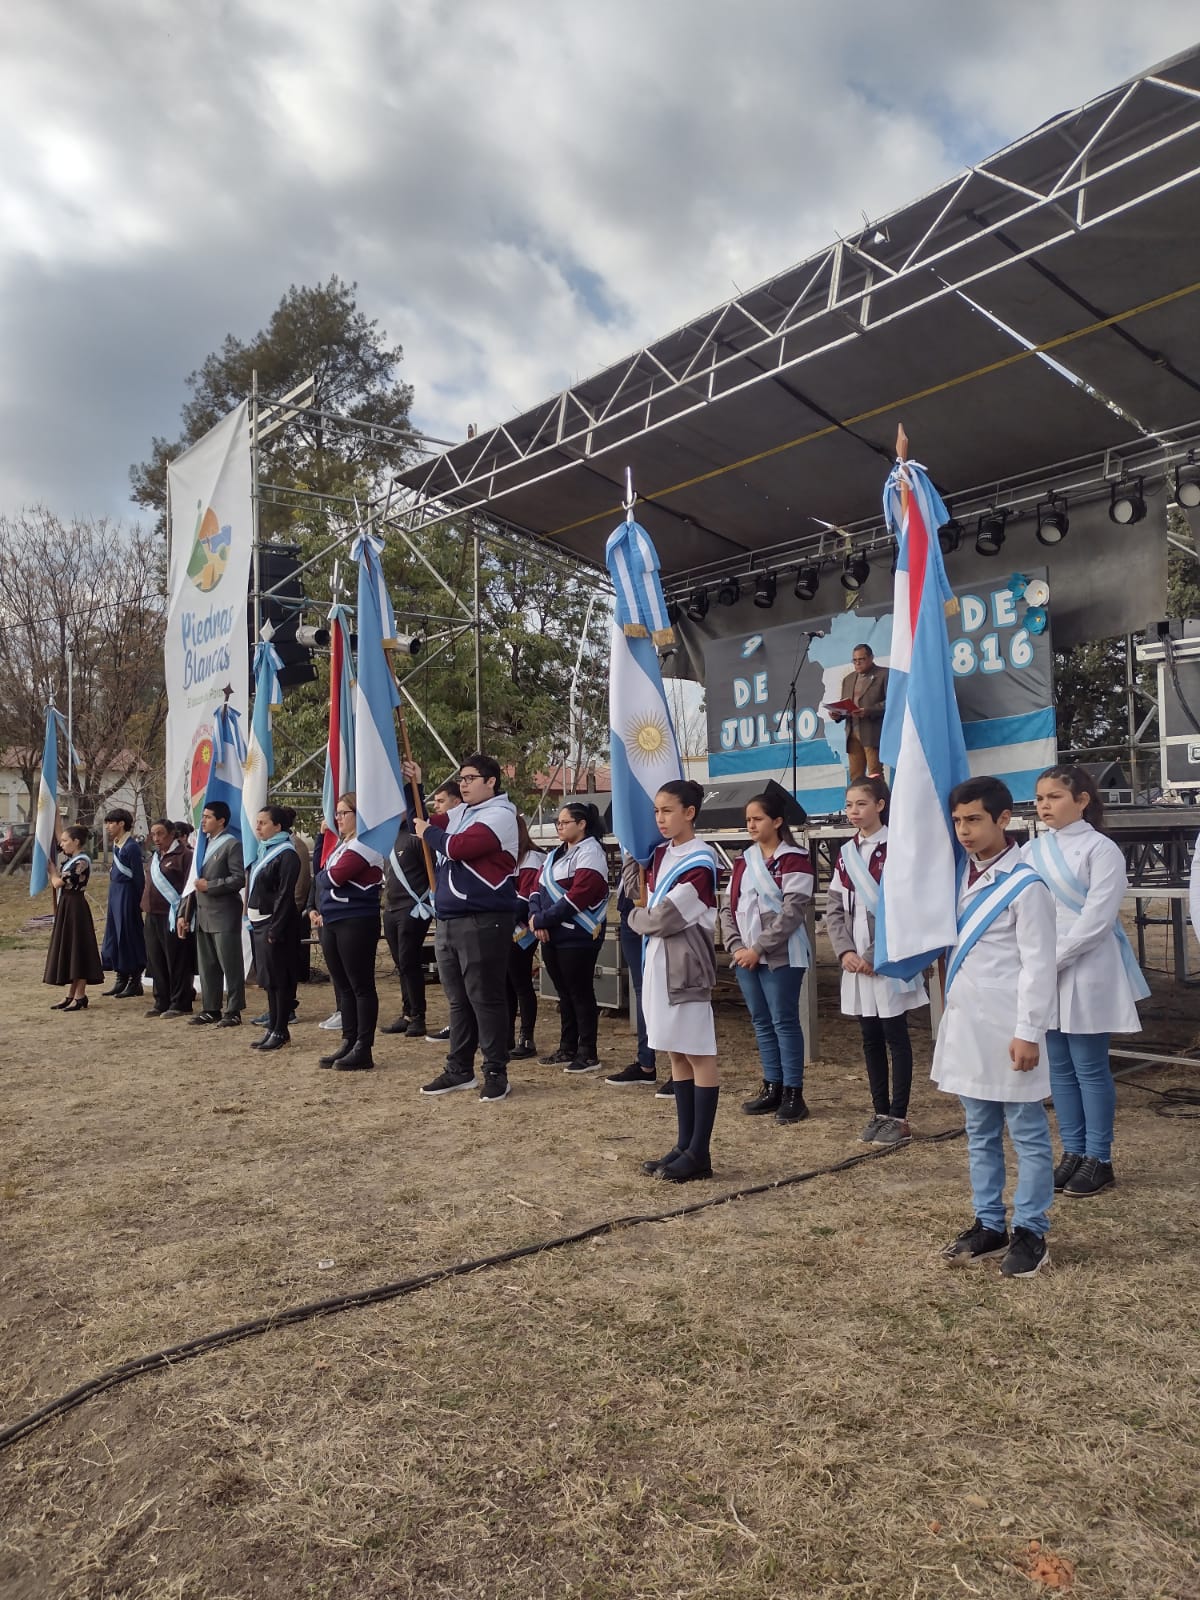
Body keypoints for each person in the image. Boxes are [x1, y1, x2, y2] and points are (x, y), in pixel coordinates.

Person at [934, 776, 1058, 1279]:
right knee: (978, 1131)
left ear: (1003, 819)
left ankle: (1032, 1229)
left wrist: (1029, 1031)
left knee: (1026, 1132)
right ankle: (989, 1222)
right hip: (966, 1024)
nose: (964, 830)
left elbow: (1038, 966)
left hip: (1010, 1028)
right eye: (958, 820)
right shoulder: (954, 875)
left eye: (974, 820)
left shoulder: (1027, 885)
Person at [1023, 765, 1149, 1198]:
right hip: (1046, 968)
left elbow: (1098, 917)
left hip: (1089, 966)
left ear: (1082, 801)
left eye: (1055, 797)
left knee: (1090, 1066)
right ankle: (1073, 1152)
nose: (1044, 806)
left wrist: (1051, 959)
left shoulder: (1102, 849)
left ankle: (1100, 1157)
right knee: (1058, 1066)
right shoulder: (1032, 851)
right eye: (1040, 798)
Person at [623, 780, 720, 1182]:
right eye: (656, 811)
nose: (660, 819)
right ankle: (683, 1143)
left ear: (690, 812)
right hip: (659, 965)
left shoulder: (700, 860)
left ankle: (700, 1151)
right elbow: (636, 894)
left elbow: (662, 918)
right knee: (675, 1053)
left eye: (668, 810)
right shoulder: (661, 855)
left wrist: (634, 919)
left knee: (698, 1053)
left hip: (686, 968)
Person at [825, 777, 928, 1147]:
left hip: (886, 960)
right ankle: (879, 1110)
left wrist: (873, 955)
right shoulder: (845, 852)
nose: (854, 811)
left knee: (895, 1036)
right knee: (870, 1037)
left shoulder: (898, 847)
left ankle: (898, 1116)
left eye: (861, 804)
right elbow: (834, 907)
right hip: (856, 962)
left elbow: (904, 907)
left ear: (881, 805)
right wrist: (845, 952)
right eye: (849, 805)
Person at [412, 753, 519, 1102]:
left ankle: (495, 1071)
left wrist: (429, 832)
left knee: (485, 998)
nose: (464, 784)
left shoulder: (501, 814)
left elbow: (460, 847)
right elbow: (422, 819)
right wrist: (416, 783)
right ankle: (459, 1069)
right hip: (450, 918)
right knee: (458, 1001)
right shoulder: (460, 812)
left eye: (471, 778)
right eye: (461, 778)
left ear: (491, 781)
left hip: (484, 918)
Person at [719, 789, 815, 1125]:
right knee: (761, 1022)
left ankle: (793, 1092)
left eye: (757, 819)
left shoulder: (795, 859)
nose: (751, 825)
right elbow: (728, 907)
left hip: (780, 955)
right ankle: (771, 1085)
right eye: (748, 819)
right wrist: (735, 947)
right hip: (745, 956)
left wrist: (758, 948)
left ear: (777, 821)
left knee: (784, 1021)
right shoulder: (744, 860)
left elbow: (792, 912)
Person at [530, 802, 610, 1073]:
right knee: (563, 993)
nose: (559, 827)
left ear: (582, 824)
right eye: (557, 823)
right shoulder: (554, 855)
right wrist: (536, 916)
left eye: (564, 822)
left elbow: (580, 894)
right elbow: (536, 888)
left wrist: (543, 919)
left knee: (580, 992)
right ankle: (567, 1047)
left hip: (578, 934)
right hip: (551, 933)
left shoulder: (591, 852)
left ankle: (588, 1052)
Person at [309, 792, 383, 1071]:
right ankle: (349, 1039)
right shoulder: (343, 844)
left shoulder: (367, 844)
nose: (338, 818)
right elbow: (321, 875)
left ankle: (364, 1046)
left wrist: (324, 878)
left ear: (359, 815)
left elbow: (333, 877)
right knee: (343, 987)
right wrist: (323, 877)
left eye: (344, 813)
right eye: (337, 813)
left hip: (356, 919)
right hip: (333, 920)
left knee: (361, 985)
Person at [178, 800, 246, 1027]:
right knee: (207, 966)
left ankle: (234, 1010)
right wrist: (183, 914)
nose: (203, 821)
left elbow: (238, 879)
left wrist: (212, 885)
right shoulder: (201, 845)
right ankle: (211, 1008)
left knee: (230, 964)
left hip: (224, 912)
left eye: (208, 817)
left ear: (221, 820)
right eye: (203, 816)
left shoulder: (231, 845)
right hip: (203, 913)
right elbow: (191, 883)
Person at [247, 805, 303, 1052]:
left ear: (278, 827)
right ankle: (273, 1026)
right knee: (268, 980)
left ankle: (281, 1029)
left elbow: (284, 895)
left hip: (276, 924)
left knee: (279, 980)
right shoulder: (264, 850)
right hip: (260, 923)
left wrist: (276, 929)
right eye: (257, 822)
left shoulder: (287, 854)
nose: (258, 827)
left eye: (263, 823)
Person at [380, 808, 434, 1039]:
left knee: (409, 961)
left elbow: (431, 872)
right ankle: (407, 1012)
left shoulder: (416, 838)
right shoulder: (389, 838)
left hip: (412, 907)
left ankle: (419, 1016)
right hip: (391, 908)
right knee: (400, 964)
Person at [604, 884, 660, 1088]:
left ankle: (683, 1071)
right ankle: (645, 1063)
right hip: (630, 907)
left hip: (655, 903)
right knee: (642, 990)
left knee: (665, 990)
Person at [44, 825, 104, 1010]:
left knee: (79, 948)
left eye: (65, 841)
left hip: (75, 907)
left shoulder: (81, 861)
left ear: (76, 842)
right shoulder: (73, 860)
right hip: (68, 905)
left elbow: (57, 883)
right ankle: (72, 994)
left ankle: (80, 994)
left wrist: (52, 871)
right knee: (72, 949)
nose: (62, 845)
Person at [422, 779, 463, 1045]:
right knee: (452, 984)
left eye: (441, 801)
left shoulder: (461, 825)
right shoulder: (443, 827)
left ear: (456, 802)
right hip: (444, 912)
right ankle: (457, 1025)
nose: (435, 807)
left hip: (466, 915)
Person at [142, 817, 193, 1017]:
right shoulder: (155, 857)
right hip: (152, 914)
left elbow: (188, 889)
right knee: (156, 959)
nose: (156, 838)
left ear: (172, 834)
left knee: (176, 959)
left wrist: (184, 914)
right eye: (153, 834)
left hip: (172, 915)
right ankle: (161, 1000)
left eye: (160, 834)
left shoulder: (184, 855)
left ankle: (180, 1002)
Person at [507, 813, 545, 1060]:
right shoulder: (505, 857)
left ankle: (527, 1038)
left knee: (520, 983)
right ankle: (505, 1035)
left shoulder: (531, 857)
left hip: (522, 930)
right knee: (505, 983)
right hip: (504, 927)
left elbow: (524, 900)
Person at [100, 807, 146, 999]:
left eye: (112, 823)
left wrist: (138, 901)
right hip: (116, 892)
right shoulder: (117, 844)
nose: (109, 827)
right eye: (108, 823)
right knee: (115, 934)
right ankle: (121, 977)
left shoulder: (131, 847)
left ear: (122, 824)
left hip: (127, 895)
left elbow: (138, 878)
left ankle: (135, 981)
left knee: (128, 936)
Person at [829, 644, 888, 782]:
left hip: (872, 731)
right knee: (855, 776)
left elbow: (891, 702)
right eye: (854, 660)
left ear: (871, 658)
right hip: (852, 733)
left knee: (875, 773)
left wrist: (867, 711)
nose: (857, 663)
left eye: (861, 659)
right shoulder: (848, 679)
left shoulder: (884, 674)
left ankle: (882, 803)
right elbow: (846, 705)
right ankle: (857, 803)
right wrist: (838, 714)